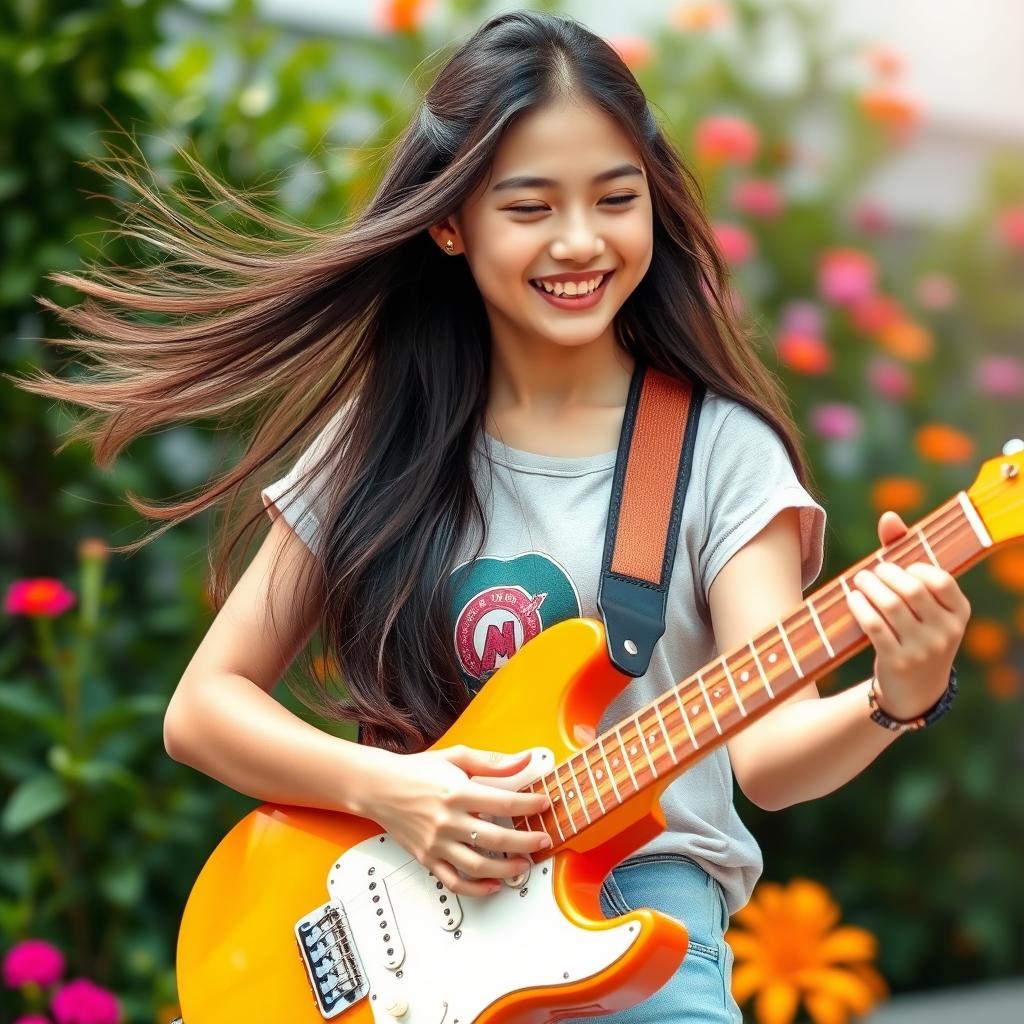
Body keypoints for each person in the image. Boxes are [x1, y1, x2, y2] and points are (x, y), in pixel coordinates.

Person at [14, 11, 971, 1024]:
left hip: (639, 934)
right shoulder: (384, 436)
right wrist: (391, 790)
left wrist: (895, 695)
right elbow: (202, 709)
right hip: (410, 937)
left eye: (616, 198)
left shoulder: (720, 452)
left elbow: (770, 762)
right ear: (449, 221)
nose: (579, 240)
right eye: (529, 206)